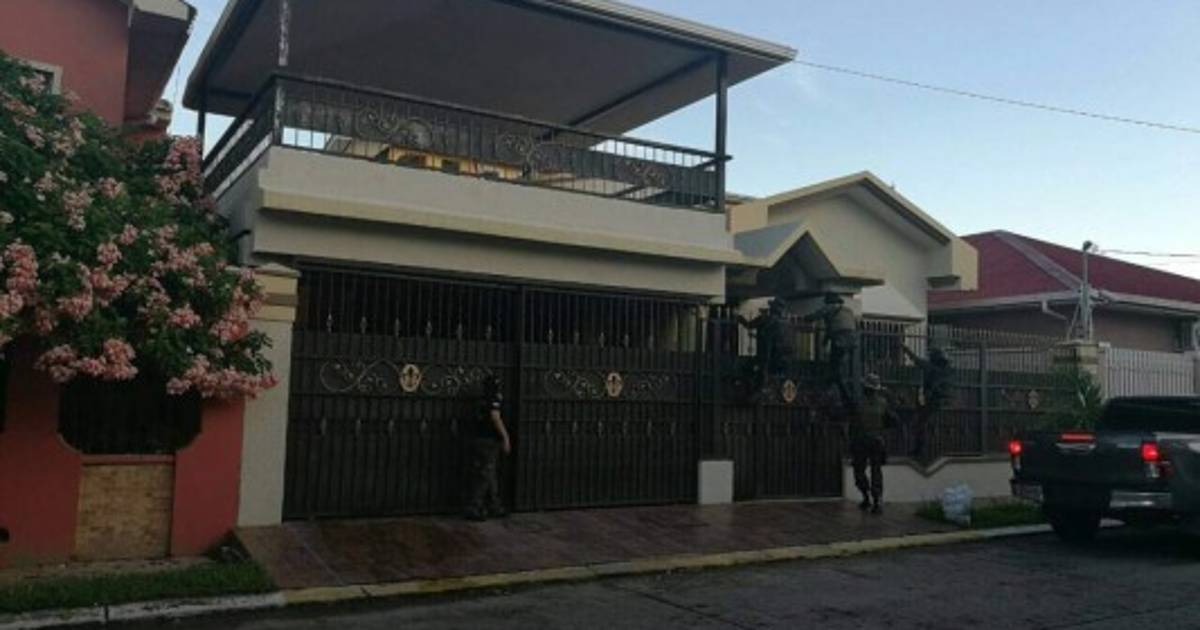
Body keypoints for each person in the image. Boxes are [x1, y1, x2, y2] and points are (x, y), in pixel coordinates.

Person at [465, 375, 512, 521]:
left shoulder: (481, 399)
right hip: (489, 441)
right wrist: (506, 437)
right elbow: (495, 417)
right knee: (485, 475)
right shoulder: (493, 399)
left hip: (478, 439)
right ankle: (474, 507)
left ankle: (494, 505)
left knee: (489, 474)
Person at [852, 373, 899, 514]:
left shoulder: (858, 402)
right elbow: (892, 420)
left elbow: (854, 420)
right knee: (876, 470)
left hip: (861, 439)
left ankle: (866, 496)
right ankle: (876, 500)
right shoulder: (883, 402)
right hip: (877, 439)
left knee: (859, 470)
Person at [803, 293, 859, 409]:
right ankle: (832, 388)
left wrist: (804, 318)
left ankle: (846, 398)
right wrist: (826, 340)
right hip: (852, 342)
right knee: (842, 369)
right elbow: (834, 327)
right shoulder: (848, 310)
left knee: (836, 370)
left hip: (840, 340)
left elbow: (814, 316)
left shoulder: (830, 308)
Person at [902, 345, 953, 460]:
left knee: (921, 425)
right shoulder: (946, 370)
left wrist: (905, 349)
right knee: (923, 424)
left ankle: (920, 451)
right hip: (942, 401)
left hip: (932, 401)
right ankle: (925, 450)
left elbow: (916, 360)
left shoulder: (931, 367)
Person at [738, 298, 789, 399]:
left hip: (764, 354)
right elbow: (778, 339)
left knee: (749, 369)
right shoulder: (784, 323)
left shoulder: (764, 319)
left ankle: (756, 390)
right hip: (779, 356)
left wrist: (739, 318)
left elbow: (749, 325)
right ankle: (763, 390)